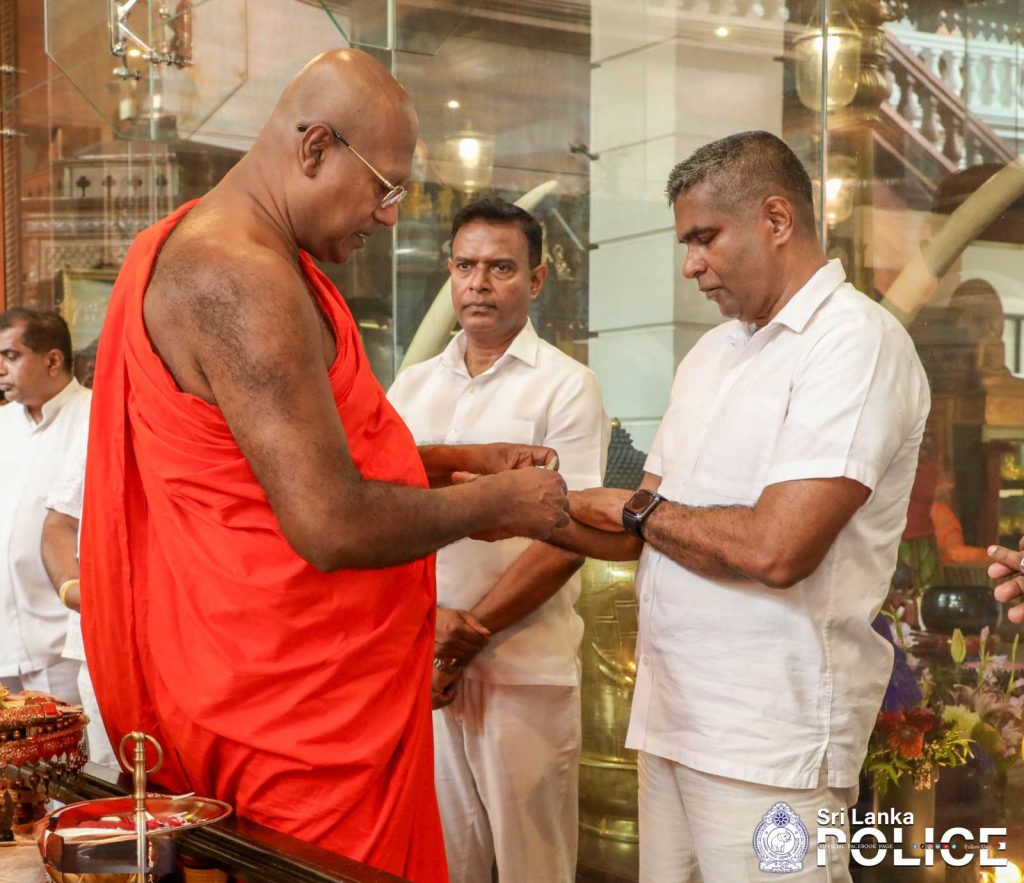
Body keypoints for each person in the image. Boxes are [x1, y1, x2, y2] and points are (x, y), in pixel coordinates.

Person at [79, 50, 569, 883]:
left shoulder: (242, 251)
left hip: (296, 685)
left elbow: (286, 462)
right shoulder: (242, 277)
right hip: (293, 711)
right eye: (385, 187)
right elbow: (329, 520)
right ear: (314, 149)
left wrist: (453, 462)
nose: (389, 216)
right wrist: (502, 502)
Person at [551, 131, 931, 882]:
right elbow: (644, 531)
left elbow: (776, 549)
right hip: (672, 719)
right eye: (687, 243)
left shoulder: (854, 341)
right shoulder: (712, 353)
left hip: (770, 741)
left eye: (704, 238)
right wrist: (521, 510)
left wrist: (634, 510)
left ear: (776, 219)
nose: (690, 264)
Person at [388, 198, 609, 883]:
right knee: (439, 866)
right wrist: (429, 632)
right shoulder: (411, 386)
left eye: (501, 268)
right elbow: (383, 513)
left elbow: (570, 535)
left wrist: (465, 636)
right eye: (466, 266)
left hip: (522, 669)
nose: (479, 283)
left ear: (536, 280)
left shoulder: (567, 386)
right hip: (423, 666)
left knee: (531, 868)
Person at [0, 307, 90, 705]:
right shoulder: (3, 425)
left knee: (76, 744)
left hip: (64, 644)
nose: (1, 369)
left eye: (11, 356)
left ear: (53, 360)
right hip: (5, 643)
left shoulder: (96, 417)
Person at [41, 443, 118, 768]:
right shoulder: (98, 424)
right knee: (112, 779)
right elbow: (60, 521)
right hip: (102, 645)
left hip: (193, 644)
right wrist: (74, 591)